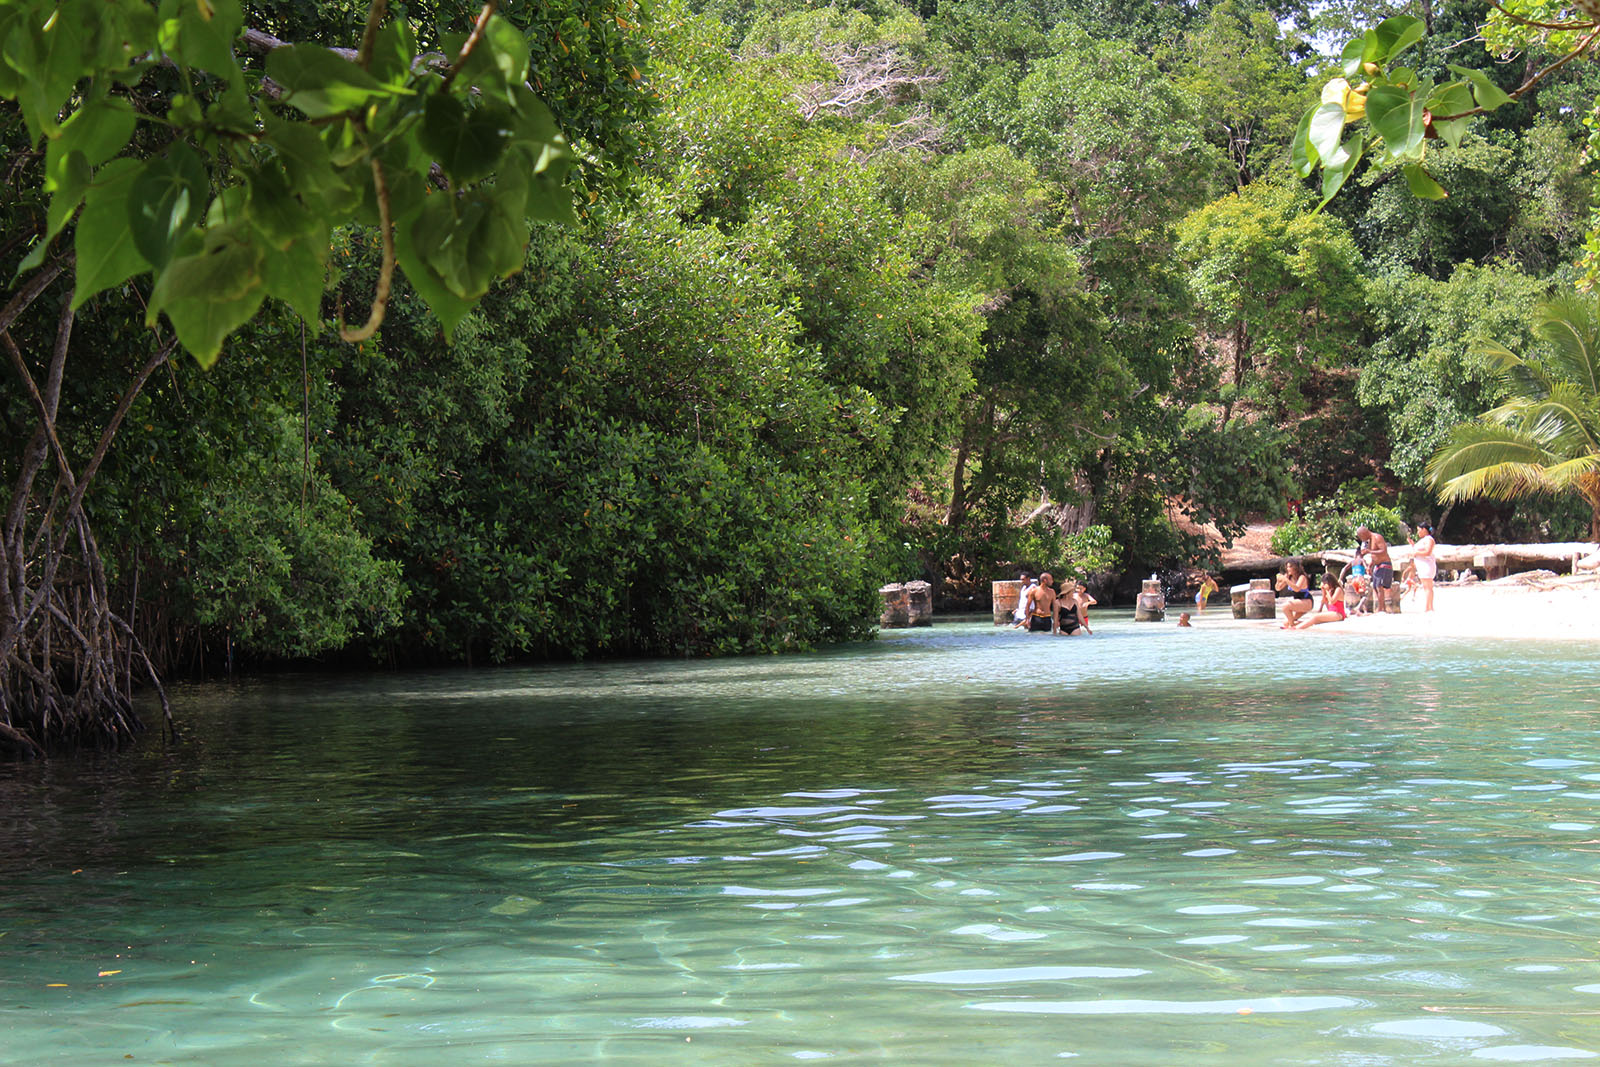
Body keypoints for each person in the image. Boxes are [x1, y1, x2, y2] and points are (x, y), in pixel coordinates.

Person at [1356, 525, 1393, 608]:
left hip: (1384, 564)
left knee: (1380, 586)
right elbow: (1374, 555)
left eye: (1361, 537)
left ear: (1364, 533)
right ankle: (1381, 607)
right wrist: (1369, 565)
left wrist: (1369, 551)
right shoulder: (1370, 541)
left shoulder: (1377, 537)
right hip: (1377, 565)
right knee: (1375, 587)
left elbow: (1383, 550)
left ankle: (1381, 609)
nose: (1362, 539)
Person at [1276, 560, 1315, 626]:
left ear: (1296, 568)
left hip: (1307, 602)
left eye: (1290, 567)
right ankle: (1308, 624)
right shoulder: (1288, 577)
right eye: (1287, 567)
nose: (1288, 569)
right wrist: (1278, 581)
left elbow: (1297, 588)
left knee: (1285, 607)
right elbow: (1278, 588)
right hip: (1298, 603)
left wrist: (1286, 580)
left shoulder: (1302, 577)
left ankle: (1292, 626)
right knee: (1285, 623)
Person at [1410, 521, 1437, 613]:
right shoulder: (1424, 540)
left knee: (1428, 587)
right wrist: (1413, 545)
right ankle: (1429, 607)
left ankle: (1429, 607)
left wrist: (1416, 553)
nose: (1418, 532)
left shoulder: (1429, 539)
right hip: (1423, 566)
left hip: (1427, 566)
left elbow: (1428, 552)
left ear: (1424, 530)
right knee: (1426, 587)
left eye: (1419, 530)